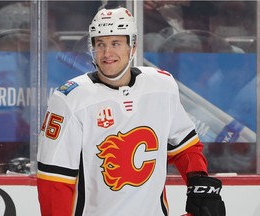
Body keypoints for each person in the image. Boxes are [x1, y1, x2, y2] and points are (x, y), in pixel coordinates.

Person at [37, 7, 225, 216]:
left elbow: (185, 147)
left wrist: (199, 182)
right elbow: (54, 181)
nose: (107, 53)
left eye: (116, 43)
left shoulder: (162, 85)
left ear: (132, 46)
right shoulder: (70, 99)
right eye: (100, 44)